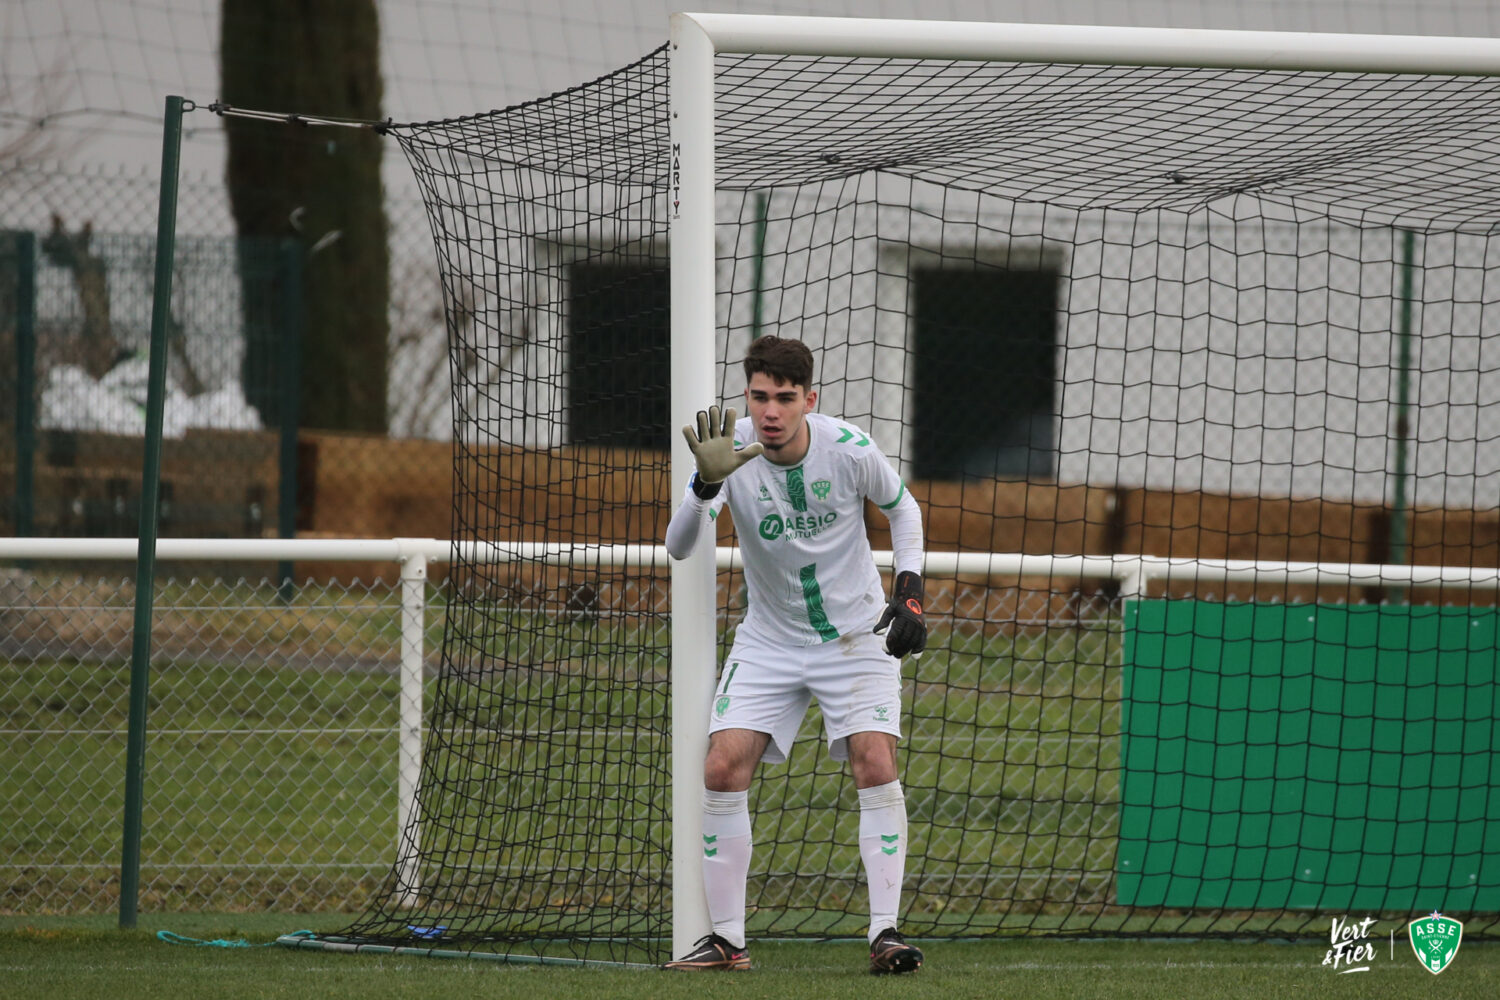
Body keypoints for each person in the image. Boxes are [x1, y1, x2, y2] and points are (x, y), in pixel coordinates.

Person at [662, 336, 927, 975]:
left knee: (875, 761)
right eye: (759, 397)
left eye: (785, 398)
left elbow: (903, 509)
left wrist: (911, 588)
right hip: (769, 640)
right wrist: (703, 485)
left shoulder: (850, 448)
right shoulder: (730, 455)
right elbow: (678, 545)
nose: (771, 412)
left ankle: (885, 932)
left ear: (810, 400)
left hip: (855, 638)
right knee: (722, 767)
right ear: (747, 397)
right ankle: (727, 941)